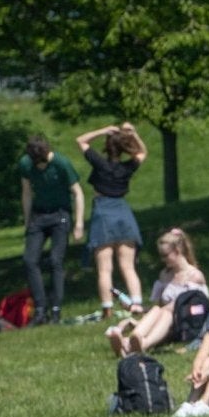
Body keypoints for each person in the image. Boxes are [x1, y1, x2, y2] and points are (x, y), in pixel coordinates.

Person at [75, 122, 147, 317]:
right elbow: (142, 153)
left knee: (105, 268)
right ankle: (137, 303)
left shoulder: (99, 163)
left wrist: (102, 130)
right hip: (123, 212)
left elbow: (80, 141)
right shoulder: (127, 167)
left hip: (103, 212)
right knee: (128, 266)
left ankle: (107, 307)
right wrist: (133, 134)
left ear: (107, 147)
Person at [16, 132, 85, 324]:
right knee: (30, 260)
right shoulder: (26, 164)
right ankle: (40, 309)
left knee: (55, 260)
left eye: (42, 163)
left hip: (59, 215)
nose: (40, 167)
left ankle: (56, 309)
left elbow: (78, 193)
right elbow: (27, 192)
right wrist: (27, 220)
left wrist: (78, 224)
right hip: (39, 215)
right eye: (37, 164)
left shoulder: (62, 163)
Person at [108, 226, 206, 357]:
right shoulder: (165, 275)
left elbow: (195, 308)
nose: (163, 260)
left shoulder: (195, 277)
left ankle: (139, 344)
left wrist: (148, 313)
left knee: (164, 313)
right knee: (157, 311)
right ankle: (129, 344)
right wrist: (139, 309)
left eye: (166, 256)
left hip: (185, 324)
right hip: (164, 323)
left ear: (177, 251)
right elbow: (159, 306)